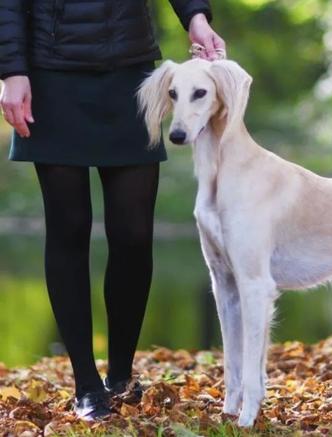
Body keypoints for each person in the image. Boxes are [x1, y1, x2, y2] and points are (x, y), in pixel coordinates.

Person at [0, 0, 225, 421]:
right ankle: (86, 385)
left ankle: (120, 377)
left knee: (135, 235)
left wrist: (196, 19)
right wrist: (11, 70)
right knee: (68, 230)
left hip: (130, 69)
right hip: (51, 72)